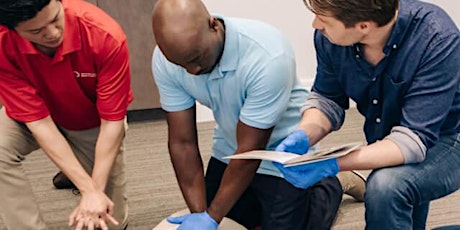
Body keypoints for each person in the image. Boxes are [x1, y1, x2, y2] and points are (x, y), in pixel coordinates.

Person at [151, 0, 366, 229]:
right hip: (230, 151)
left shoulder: (268, 55)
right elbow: (182, 142)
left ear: (213, 25)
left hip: (282, 155)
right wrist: (201, 214)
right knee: (234, 218)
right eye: (182, 64)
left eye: (196, 59)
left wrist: (212, 217)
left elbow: (251, 150)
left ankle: (333, 184)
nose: (192, 71)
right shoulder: (167, 59)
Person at [273, 0, 460, 229]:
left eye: (324, 19)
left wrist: (334, 164)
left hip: (448, 138)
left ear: (364, 26)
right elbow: (327, 98)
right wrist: (304, 133)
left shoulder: (436, 37)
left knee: (386, 187)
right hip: (390, 137)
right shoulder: (330, 38)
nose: (316, 24)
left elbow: (413, 140)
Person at [0, 0, 132, 229]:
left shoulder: (104, 35)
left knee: (111, 222)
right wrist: (87, 188)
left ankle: (76, 170)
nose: (52, 33)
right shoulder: (2, 42)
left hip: (92, 122)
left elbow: (112, 123)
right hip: (35, 118)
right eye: (36, 30)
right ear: (11, 29)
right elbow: (40, 123)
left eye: (55, 19)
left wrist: (94, 193)